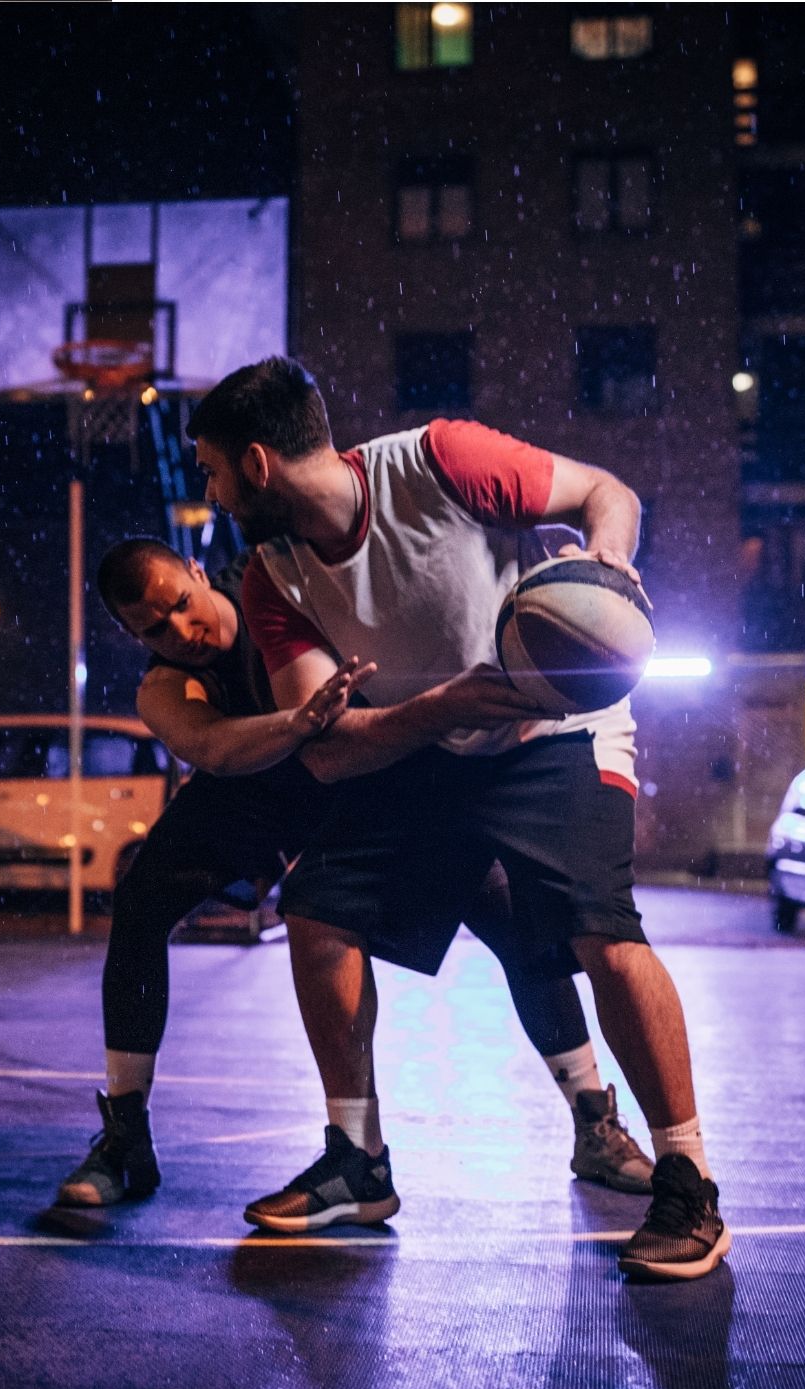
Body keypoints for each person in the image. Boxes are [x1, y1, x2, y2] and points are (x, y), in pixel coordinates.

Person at [191, 356, 727, 1280]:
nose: (210, 494)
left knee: (603, 934)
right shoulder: (271, 577)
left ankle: (689, 1180)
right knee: (318, 913)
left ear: (257, 462)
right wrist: (444, 707)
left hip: (560, 727)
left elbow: (608, 490)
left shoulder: (438, 460)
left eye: (210, 472)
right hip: (431, 744)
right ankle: (357, 1163)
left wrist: (608, 566)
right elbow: (330, 744)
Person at [53, 538, 653, 1210]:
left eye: (181, 607)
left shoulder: (275, 581)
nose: (181, 632)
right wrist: (296, 720)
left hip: (363, 772)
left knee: (512, 922)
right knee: (140, 901)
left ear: (197, 573)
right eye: (152, 630)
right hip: (258, 777)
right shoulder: (165, 685)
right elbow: (213, 747)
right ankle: (126, 1135)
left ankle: (594, 1123)